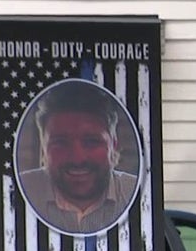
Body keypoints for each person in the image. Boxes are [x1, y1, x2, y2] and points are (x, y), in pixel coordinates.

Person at [18, 80, 137, 235]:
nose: (77, 158)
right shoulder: (19, 192)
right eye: (61, 142)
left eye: (91, 142)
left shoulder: (136, 194)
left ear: (113, 146)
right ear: (44, 149)